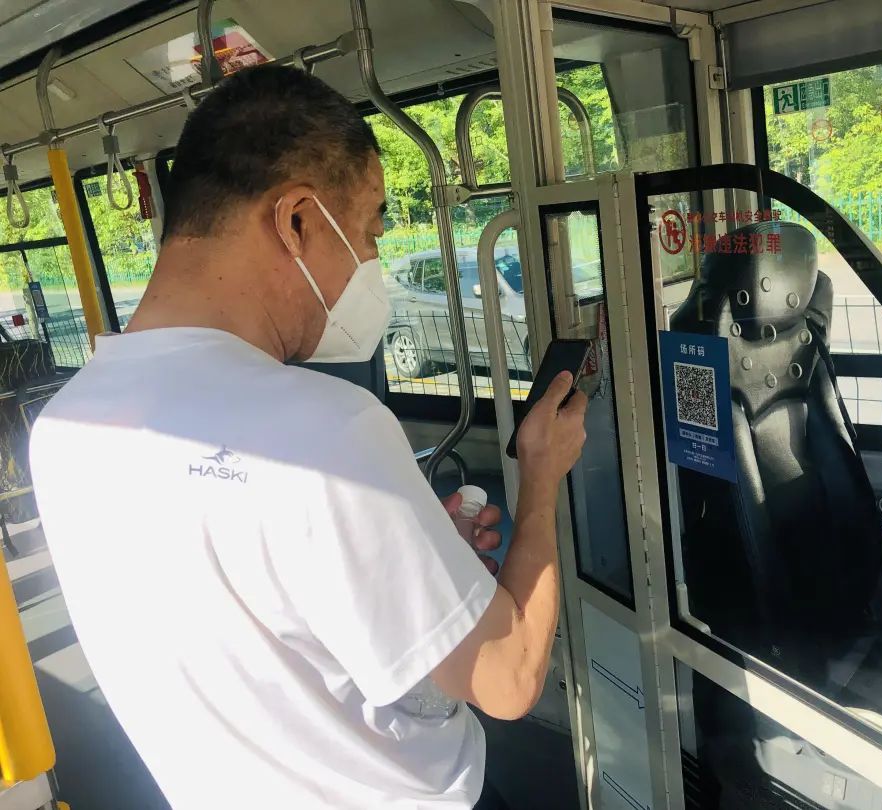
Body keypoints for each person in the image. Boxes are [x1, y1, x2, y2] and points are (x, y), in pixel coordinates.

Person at [29, 65, 586, 809]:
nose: (373, 262)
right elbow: (510, 678)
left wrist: (408, 556)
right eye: (370, 230)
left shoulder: (65, 427)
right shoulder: (327, 429)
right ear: (295, 221)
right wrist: (543, 478)